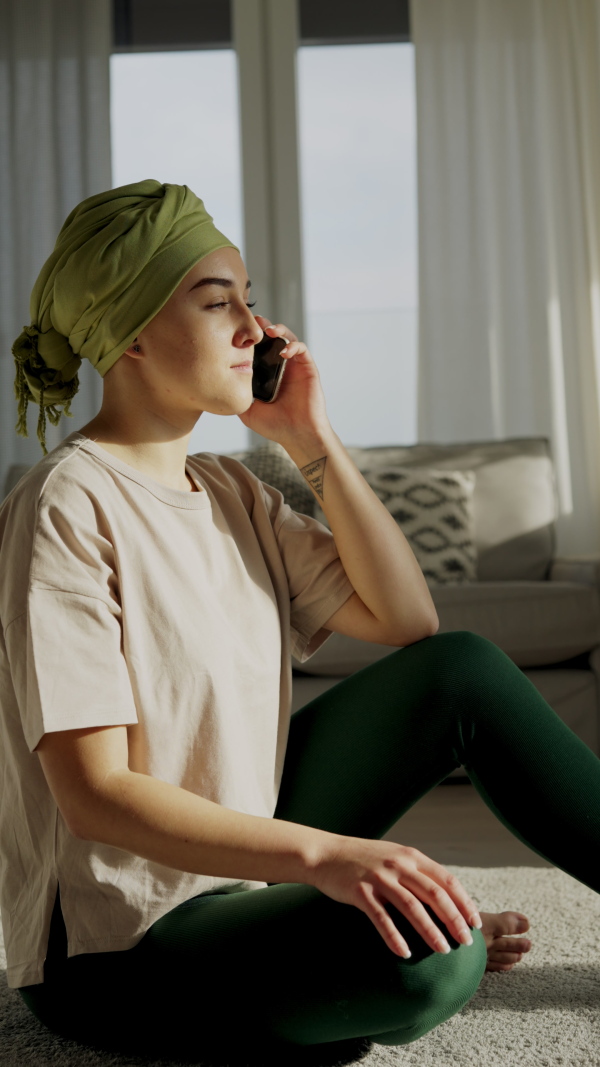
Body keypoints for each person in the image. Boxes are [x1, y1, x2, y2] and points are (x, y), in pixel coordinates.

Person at [1, 179, 598, 1062]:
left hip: (234, 873)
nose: (256, 328)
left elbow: (409, 618)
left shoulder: (233, 489)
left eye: (250, 300)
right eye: (218, 303)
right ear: (128, 332)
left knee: (461, 669)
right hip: (115, 945)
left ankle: (312, 977)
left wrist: (310, 439)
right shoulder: (64, 502)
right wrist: (332, 859)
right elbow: (94, 796)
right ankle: (331, 973)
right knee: (436, 961)